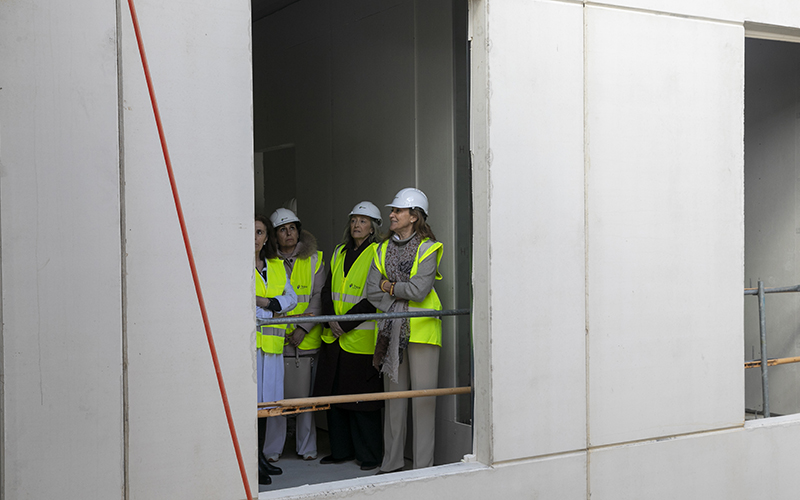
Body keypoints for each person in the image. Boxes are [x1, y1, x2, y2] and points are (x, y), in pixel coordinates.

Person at [366, 187, 443, 474]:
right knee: (394, 403)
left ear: (414, 216)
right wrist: (398, 291)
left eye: (397, 210)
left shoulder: (429, 247)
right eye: (393, 210)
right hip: (391, 331)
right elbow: (372, 290)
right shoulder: (381, 249)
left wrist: (390, 286)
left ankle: (424, 467)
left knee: (424, 403)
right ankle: (392, 463)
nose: (391, 215)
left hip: (422, 331)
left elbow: (419, 291)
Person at [314, 201, 384, 471]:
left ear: (374, 227)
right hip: (335, 336)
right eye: (354, 220)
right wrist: (331, 318)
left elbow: (374, 295)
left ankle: (369, 455)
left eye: (363, 221)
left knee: (362, 403)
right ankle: (340, 450)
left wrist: (345, 323)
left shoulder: (378, 252)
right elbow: (328, 289)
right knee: (336, 398)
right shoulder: (339, 251)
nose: (357, 225)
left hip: (360, 339)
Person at [267, 208, 325, 462]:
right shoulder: (267, 263)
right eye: (282, 229)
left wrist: (302, 329)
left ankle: (307, 447)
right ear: (274, 235)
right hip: (275, 339)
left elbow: (318, 297)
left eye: (292, 227)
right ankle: (272, 450)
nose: (288, 233)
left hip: (306, 340)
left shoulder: (314, 259)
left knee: (305, 401)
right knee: (275, 399)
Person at [254, 215, 297, 485]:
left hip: (273, 347)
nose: (254, 237)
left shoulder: (276, 266)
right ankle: (252, 460)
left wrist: (266, 303)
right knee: (252, 407)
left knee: (268, 406)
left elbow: (291, 299)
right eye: (249, 231)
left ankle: (259, 457)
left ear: (267, 237)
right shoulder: (235, 266)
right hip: (251, 349)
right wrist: (272, 308)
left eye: (259, 232)